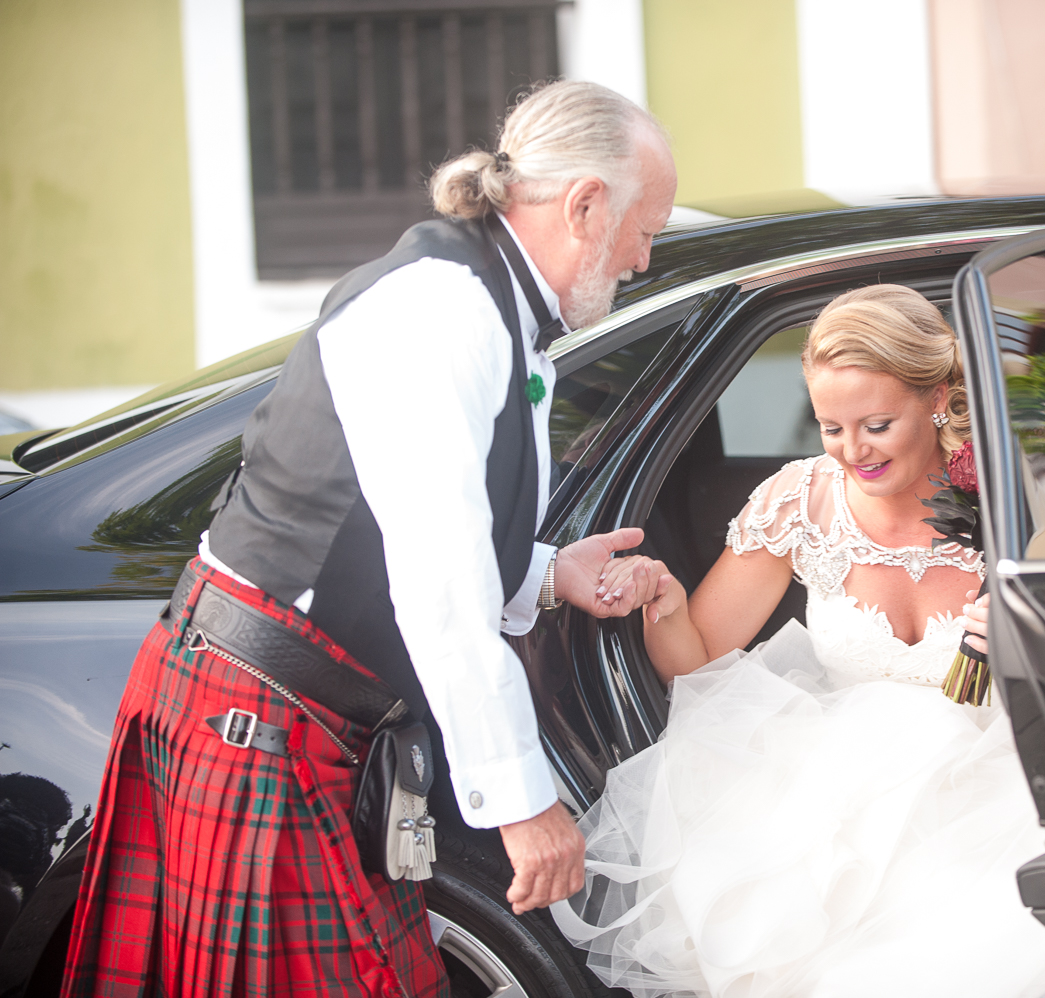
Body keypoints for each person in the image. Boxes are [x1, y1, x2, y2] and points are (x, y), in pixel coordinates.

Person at [62, 81, 676, 997]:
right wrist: (522, 804)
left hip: (296, 718)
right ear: (585, 205)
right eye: (645, 226)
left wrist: (548, 576)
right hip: (258, 716)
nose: (646, 254)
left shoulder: (495, 307)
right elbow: (436, 578)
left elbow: (425, 524)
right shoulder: (441, 309)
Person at [551, 285, 1045, 997]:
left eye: (876, 424)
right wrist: (663, 599)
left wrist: (1032, 634)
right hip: (836, 813)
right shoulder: (801, 501)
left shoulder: (1018, 495)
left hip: (998, 804)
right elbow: (696, 662)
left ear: (938, 398)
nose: (854, 452)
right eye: (831, 427)